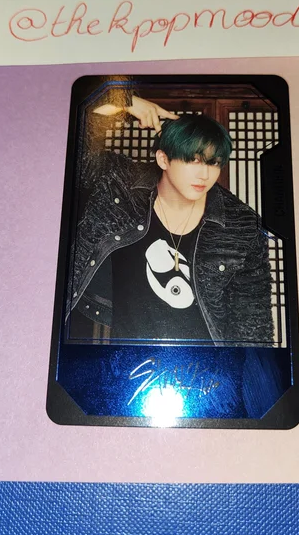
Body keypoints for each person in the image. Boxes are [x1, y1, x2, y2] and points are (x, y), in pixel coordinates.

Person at [65, 91, 274, 346]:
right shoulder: (118, 184)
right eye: (192, 160)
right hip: (120, 354)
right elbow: (67, 141)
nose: (204, 174)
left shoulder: (241, 224)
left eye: (213, 163)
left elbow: (253, 324)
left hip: (200, 361)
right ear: (163, 159)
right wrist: (124, 102)